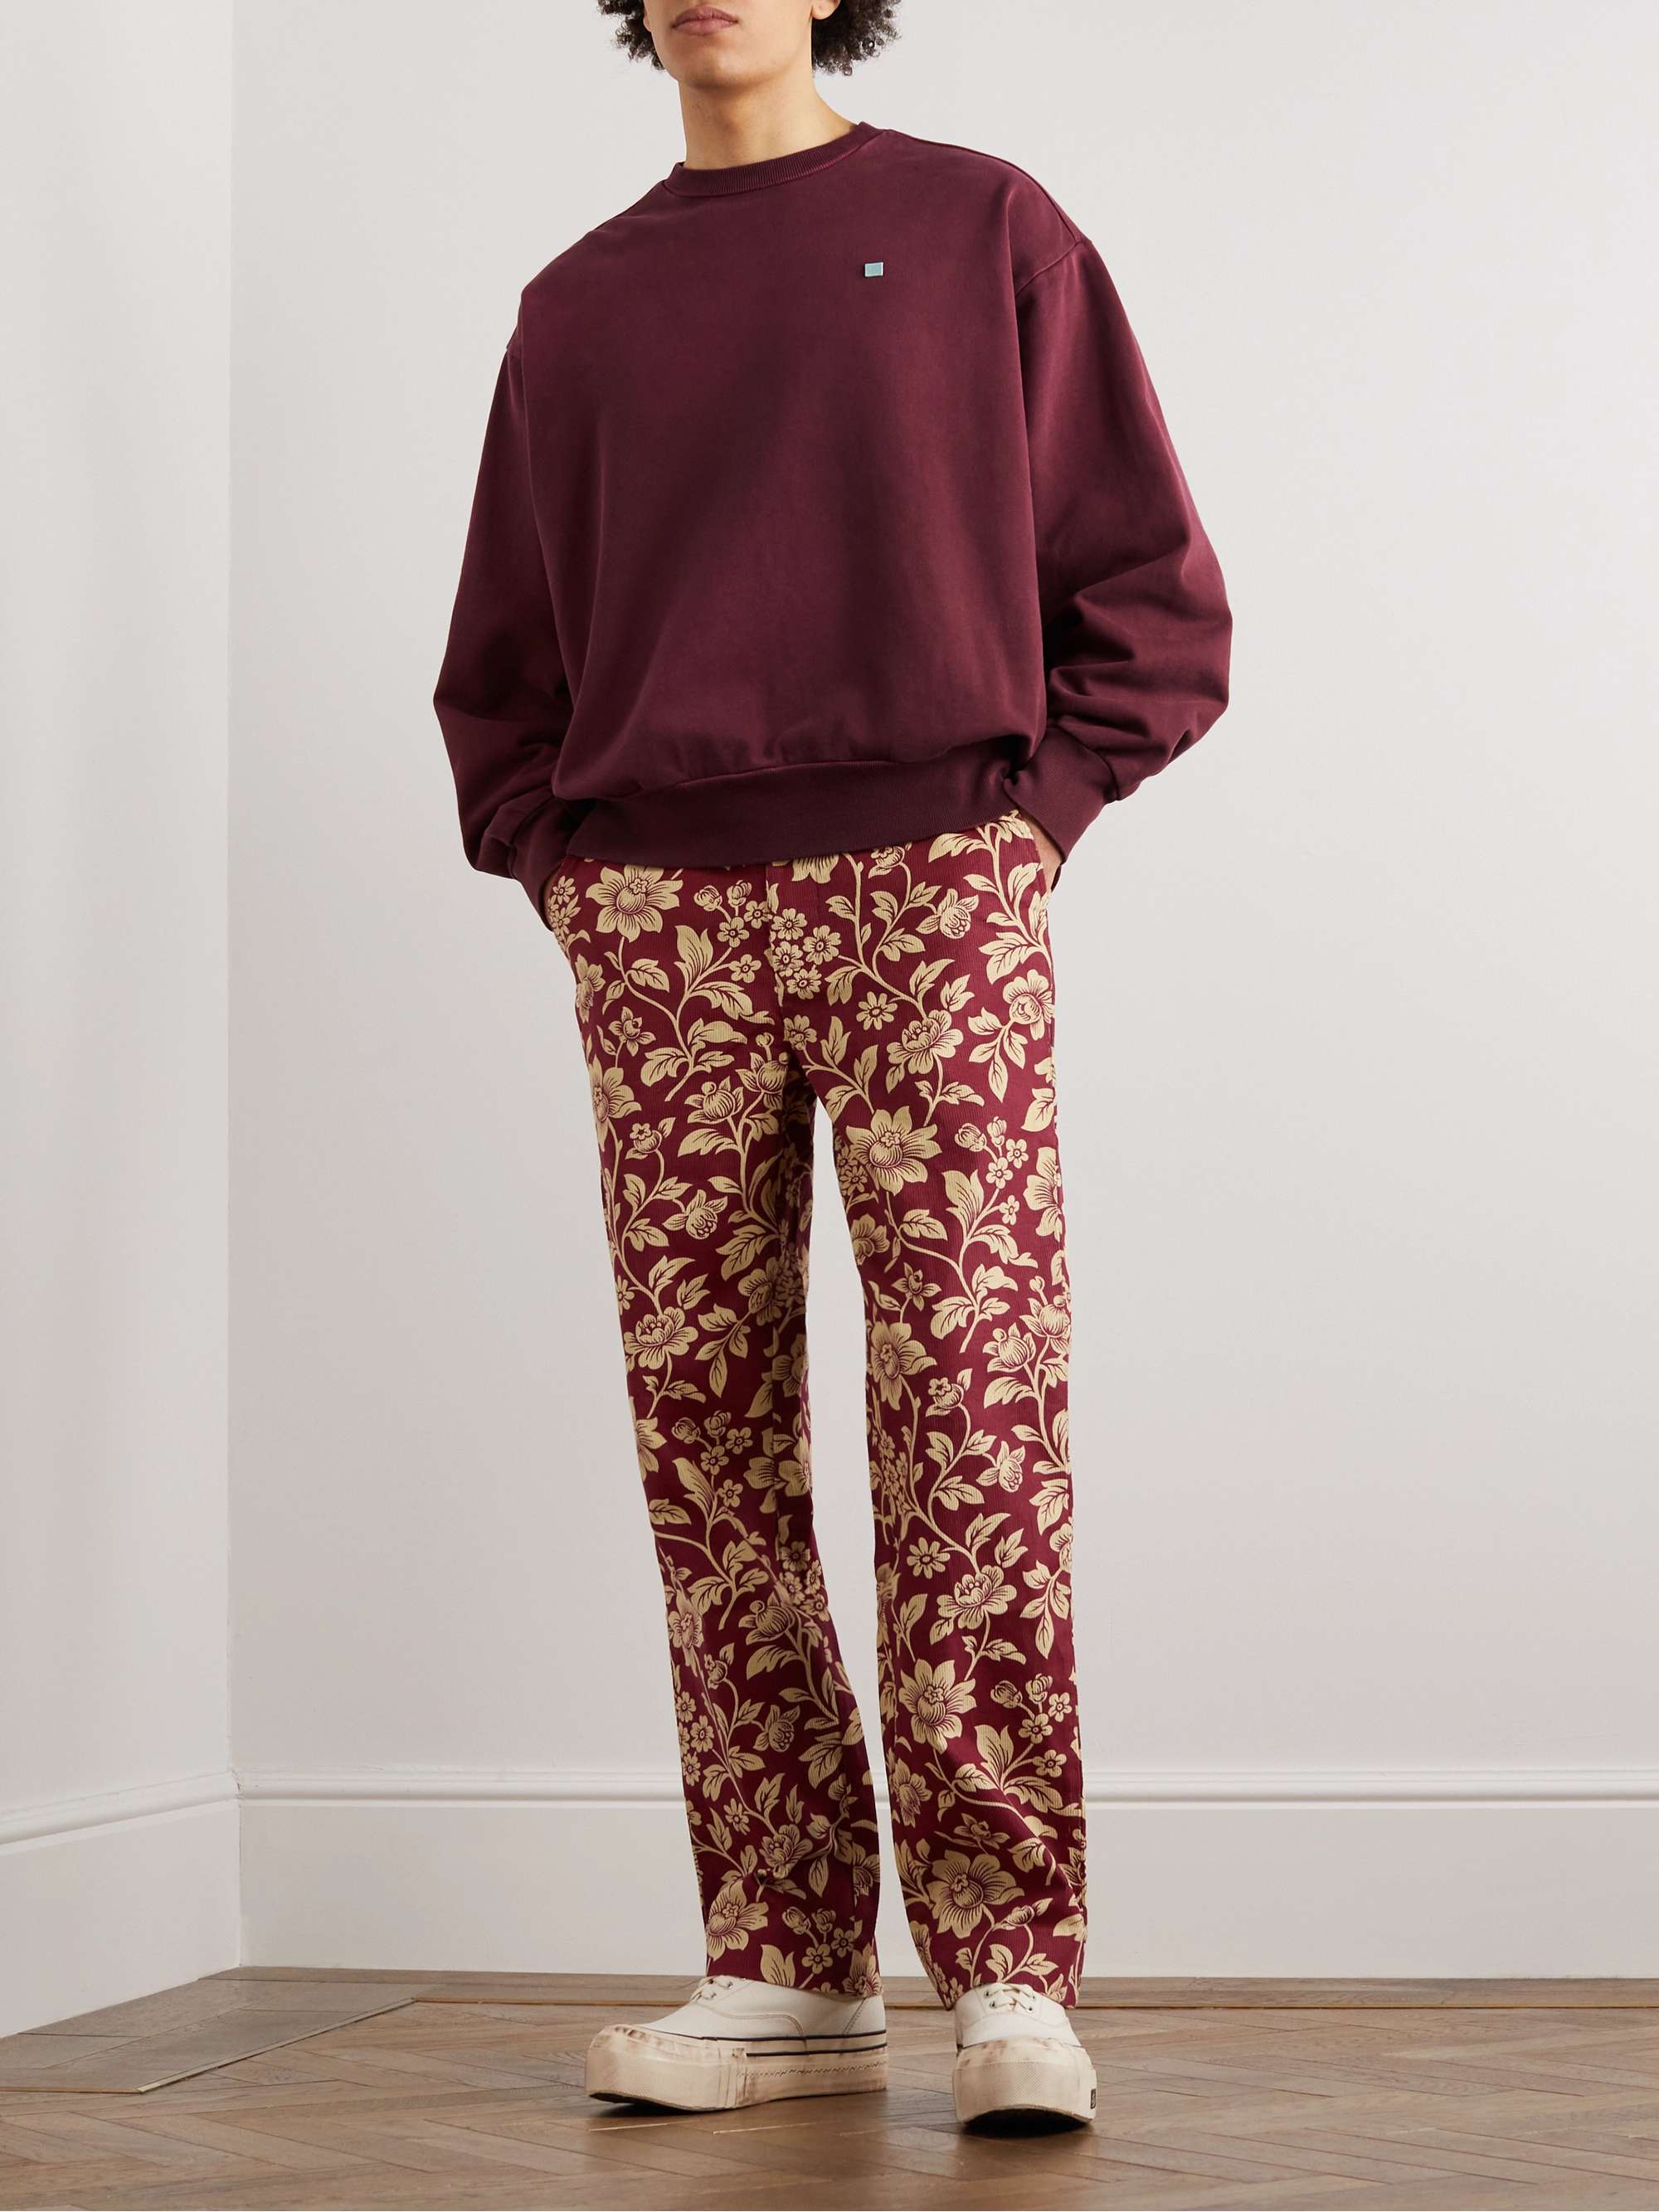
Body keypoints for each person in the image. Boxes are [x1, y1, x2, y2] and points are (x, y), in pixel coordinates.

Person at [434, 0, 1229, 2129]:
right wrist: (571, 875)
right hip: (659, 920)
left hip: (932, 888)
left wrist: (1025, 827)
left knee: (971, 1407)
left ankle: (1006, 1963)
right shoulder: (577, 306)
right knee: (708, 1434)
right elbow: (501, 668)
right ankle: (784, 1957)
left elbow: (1154, 597)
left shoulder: (983, 229)